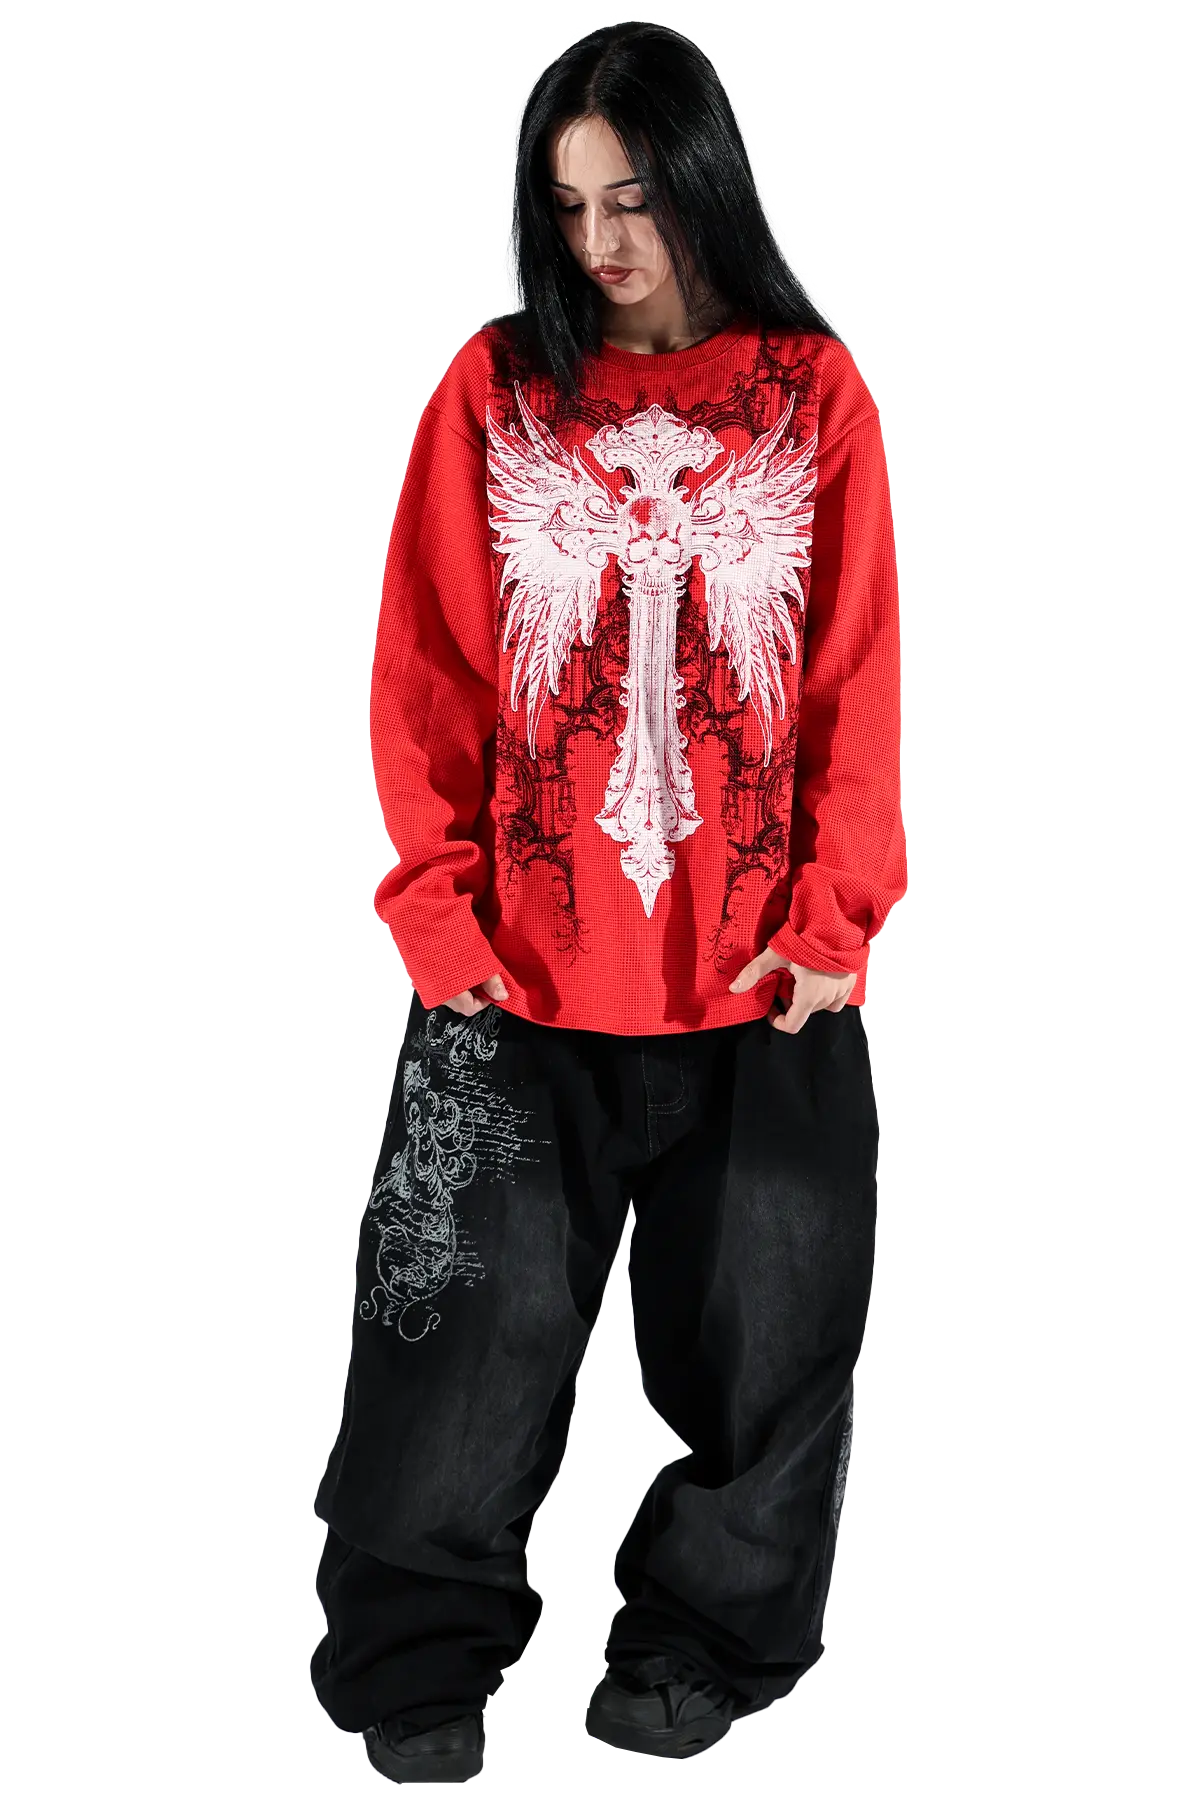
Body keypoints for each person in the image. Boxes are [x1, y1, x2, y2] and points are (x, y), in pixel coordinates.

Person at [311, 18, 907, 1782]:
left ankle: (701, 1647)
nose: (602, 242)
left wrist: (836, 921)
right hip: (513, 978)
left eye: (633, 196)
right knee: (449, 1345)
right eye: (567, 206)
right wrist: (437, 917)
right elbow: (427, 668)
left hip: (762, 983)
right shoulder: (494, 392)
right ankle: (417, 1669)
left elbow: (852, 676)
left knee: (774, 1353)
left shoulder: (811, 395)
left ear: (705, 177)